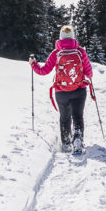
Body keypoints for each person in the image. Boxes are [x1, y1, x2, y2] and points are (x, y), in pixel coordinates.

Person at [31, 25, 93, 154]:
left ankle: (66, 144)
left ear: (60, 37)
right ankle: (77, 140)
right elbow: (89, 73)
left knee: (65, 118)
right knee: (78, 117)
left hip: (61, 92)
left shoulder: (56, 53)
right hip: (79, 90)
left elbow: (44, 71)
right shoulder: (80, 51)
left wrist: (33, 64)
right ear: (74, 36)